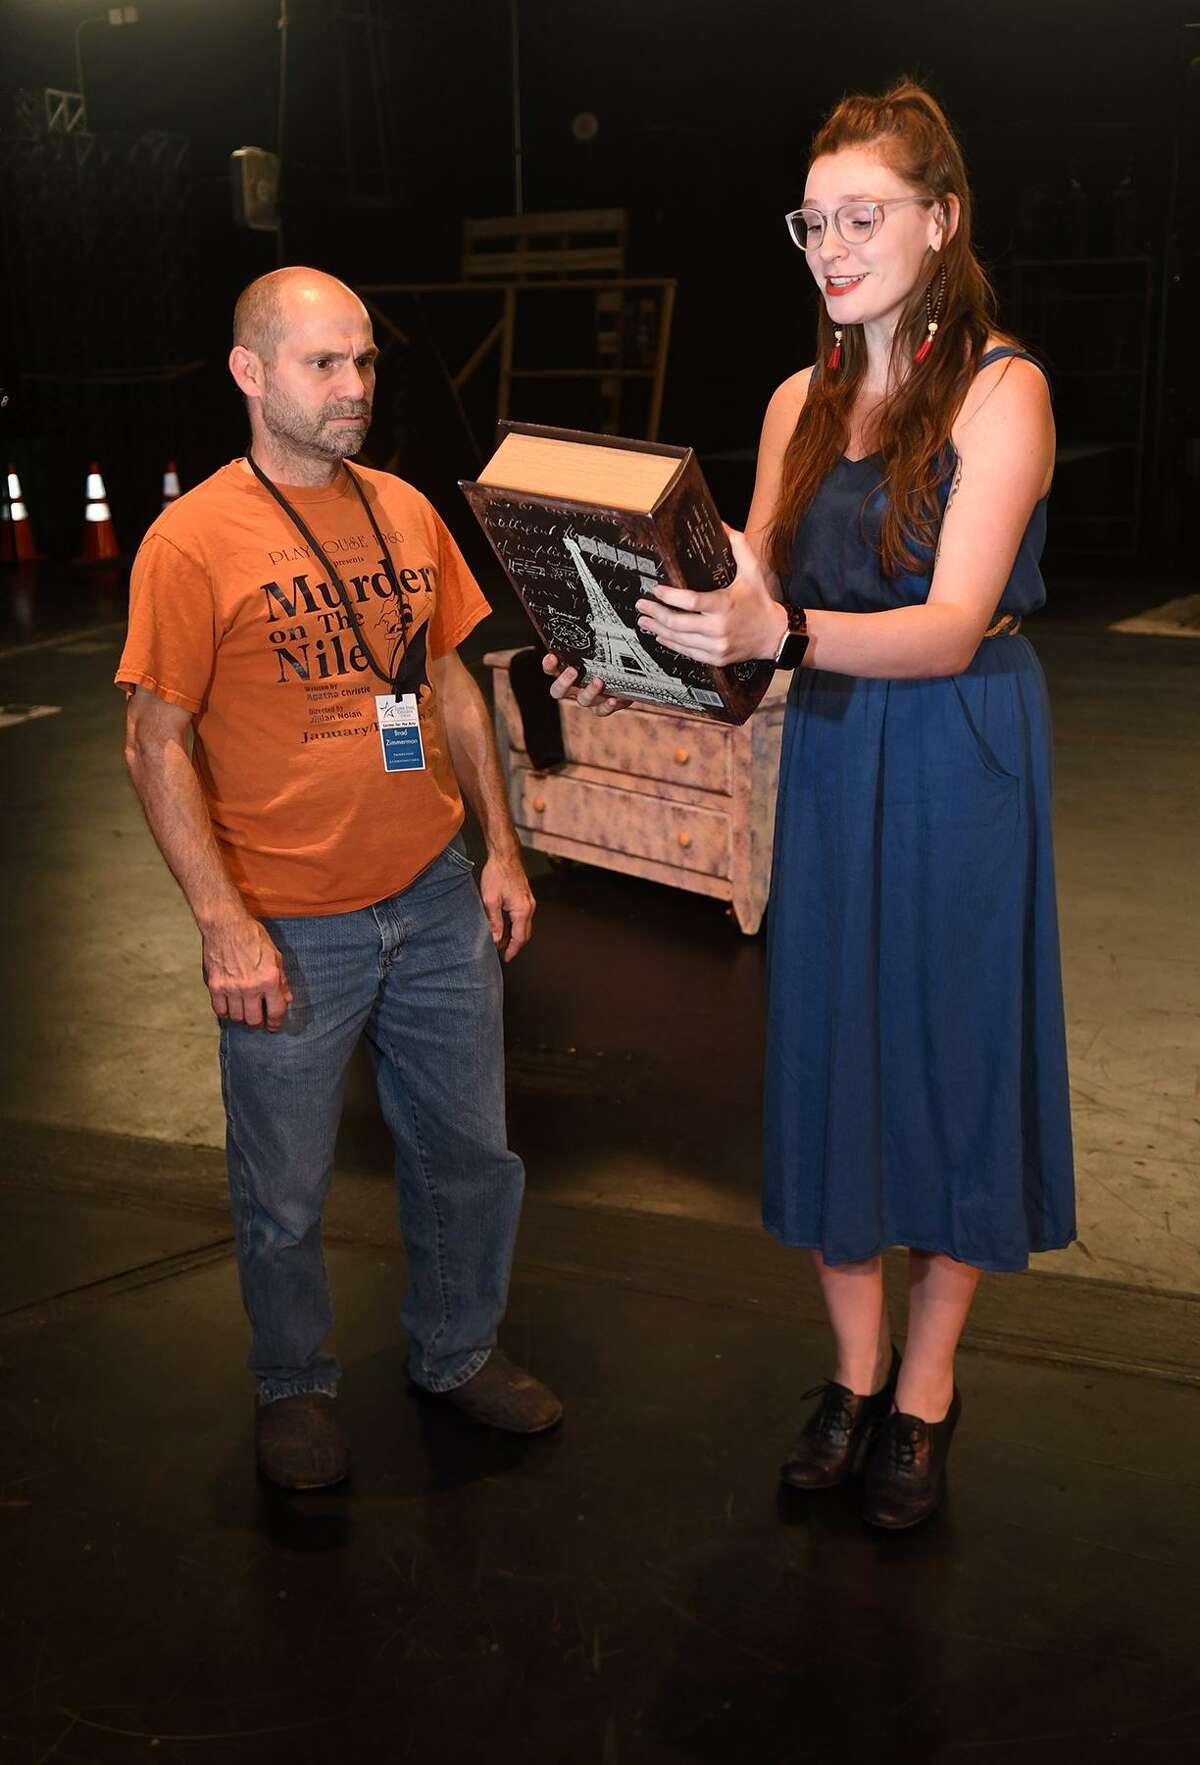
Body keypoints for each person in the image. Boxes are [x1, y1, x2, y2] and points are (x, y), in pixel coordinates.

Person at [546, 80, 1074, 1529]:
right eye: (814, 222)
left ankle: (926, 1392)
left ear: (941, 220)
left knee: (952, 1051)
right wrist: (630, 658)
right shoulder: (801, 398)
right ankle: (849, 1379)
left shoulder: (1002, 388)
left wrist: (772, 641)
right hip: (837, 747)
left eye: (864, 217)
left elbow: (955, 622)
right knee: (837, 1049)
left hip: (961, 743)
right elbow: (751, 600)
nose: (831, 248)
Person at [118, 267, 561, 1492]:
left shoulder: (408, 511)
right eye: (324, 365)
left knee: (471, 1155)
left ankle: (459, 1350)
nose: (354, 388)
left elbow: (451, 680)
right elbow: (154, 740)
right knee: (285, 1188)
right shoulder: (192, 538)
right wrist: (224, 924)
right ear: (250, 373)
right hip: (285, 925)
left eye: (364, 362)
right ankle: (295, 1382)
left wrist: (500, 847)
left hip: (430, 896)